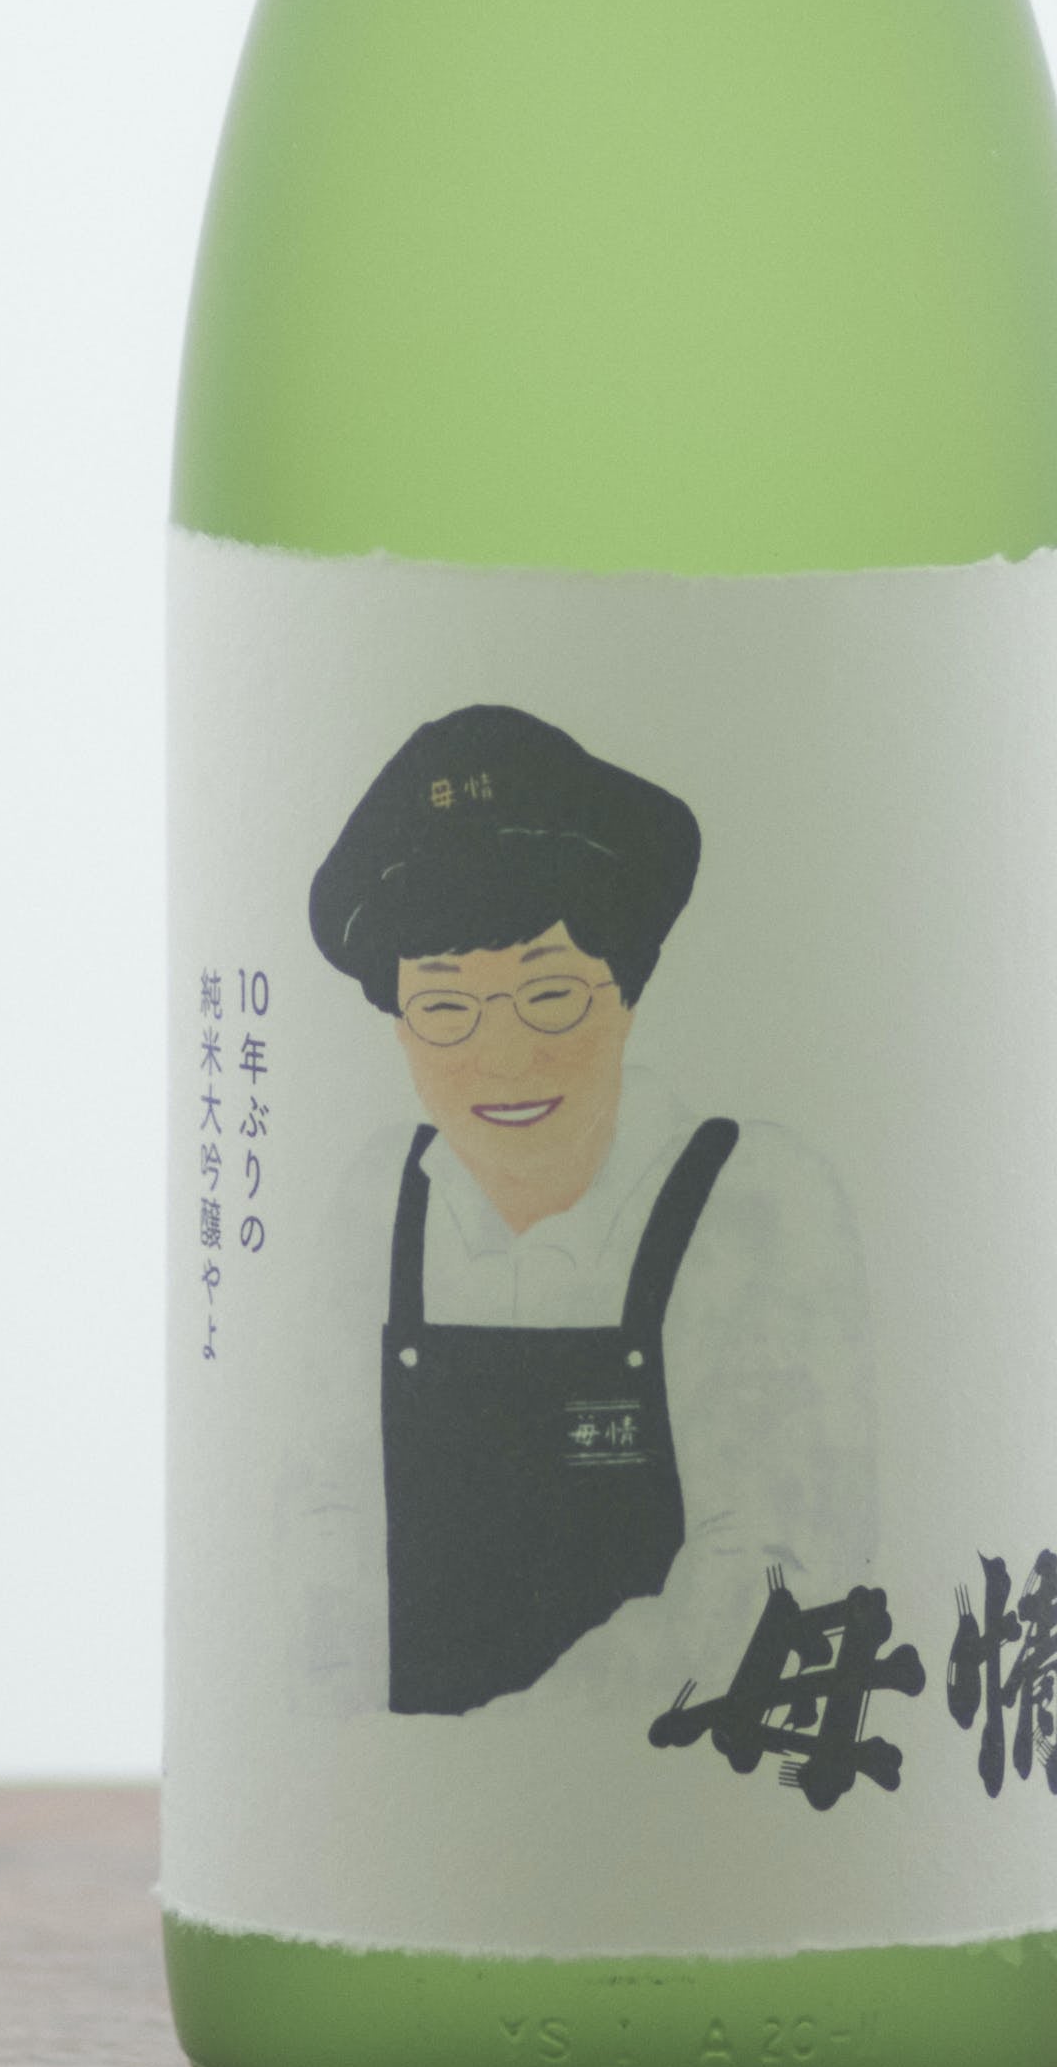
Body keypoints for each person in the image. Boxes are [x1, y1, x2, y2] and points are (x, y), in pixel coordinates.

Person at [305, 704, 863, 1722]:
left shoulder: (752, 1202)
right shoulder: (376, 1203)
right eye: (444, 1008)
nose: (502, 1056)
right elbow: (316, 1520)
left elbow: (775, 1568)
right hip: (410, 1790)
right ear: (399, 1025)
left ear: (627, 992)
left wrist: (498, 1754)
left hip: (664, 1773)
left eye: (551, 996)